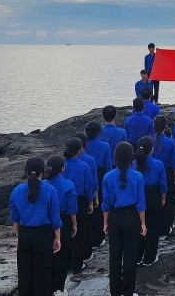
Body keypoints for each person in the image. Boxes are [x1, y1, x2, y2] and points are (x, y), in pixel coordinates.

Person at [9, 157, 62, 296]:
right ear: (43, 171)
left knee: (25, 273)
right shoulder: (50, 190)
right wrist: (57, 238)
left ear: (26, 171)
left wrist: (18, 236)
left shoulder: (16, 190)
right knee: (43, 273)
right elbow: (55, 218)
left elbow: (15, 218)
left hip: (25, 233)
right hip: (44, 234)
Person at [102, 142, 147, 296]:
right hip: (132, 217)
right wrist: (143, 223)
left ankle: (115, 290)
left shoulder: (108, 177)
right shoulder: (138, 176)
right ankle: (128, 291)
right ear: (131, 158)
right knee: (130, 256)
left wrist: (105, 223)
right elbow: (141, 204)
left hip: (115, 217)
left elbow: (106, 204)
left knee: (114, 255)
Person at [44, 156, 78, 294]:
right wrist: (74, 224)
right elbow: (72, 208)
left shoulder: (43, 185)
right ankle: (59, 287)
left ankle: (48, 286)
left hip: (46, 223)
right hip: (63, 220)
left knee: (48, 255)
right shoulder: (68, 185)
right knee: (62, 256)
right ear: (62, 169)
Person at [64, 137, 97, 271]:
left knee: (67, 231)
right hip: (80, 200)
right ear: (80, 150)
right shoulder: (84, 166)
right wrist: (91, 201)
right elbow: (88, 186)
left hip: (65, 200)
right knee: (79, 231)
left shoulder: (63, 164)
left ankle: (67, 260)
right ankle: (78, 262)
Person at [134, 136, 167, 266]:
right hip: (153, 197)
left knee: (138, 227)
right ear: (152, 150)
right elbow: (163, 184)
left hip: (137, 196)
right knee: (153, 228)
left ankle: (137, 256)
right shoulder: (158, 164)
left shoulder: (133, 164)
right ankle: (149, 258)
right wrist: (163, 198)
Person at [83, 122, 112, 248]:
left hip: (84, 176)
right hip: (100, 176)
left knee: (86, 206)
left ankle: (88, 236)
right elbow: (108, 166)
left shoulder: (83, 145)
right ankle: (99, 237)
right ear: (99, 132)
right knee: (99, 207)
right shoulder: (104, 146)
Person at [152, 115, 175, 238]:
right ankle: (166, 226)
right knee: (169, 201)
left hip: (151, 172)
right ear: (166, 126)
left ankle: (155, 225)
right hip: (167, 172)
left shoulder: (149, 140)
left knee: (155, 199)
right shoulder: (170, 142)